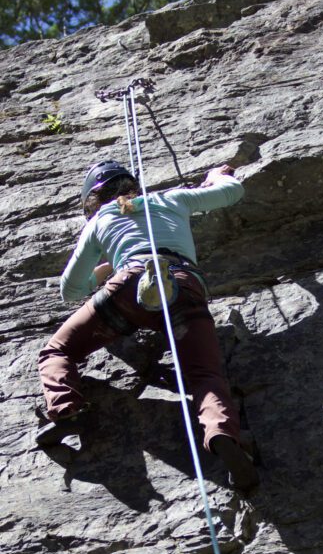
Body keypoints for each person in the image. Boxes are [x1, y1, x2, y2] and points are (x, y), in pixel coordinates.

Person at [37, 160, 259, 492]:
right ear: (131, 186)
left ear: (94, 198)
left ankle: (67, 410)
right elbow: (232, 191)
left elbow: (70, 290)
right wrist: (215, 176)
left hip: (126, 289)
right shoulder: (172, 199)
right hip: (184, 285)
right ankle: (222, 434)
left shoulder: (101, 220)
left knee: (58, 350)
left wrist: (107, 267)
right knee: (205, 376)